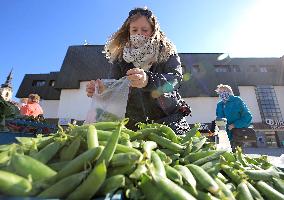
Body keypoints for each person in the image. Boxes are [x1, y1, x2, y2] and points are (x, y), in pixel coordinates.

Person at [86, 7, 191, 134]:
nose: (139, 34)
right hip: (132, 126)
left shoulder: (167, 52)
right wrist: (103, 91)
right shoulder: (120, 59)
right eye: (134, 30)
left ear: (153, 31)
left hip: (169, 121)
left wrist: (148, 80)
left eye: (144, 30)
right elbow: (116, 86)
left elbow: (175, 79)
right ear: (128, 32)